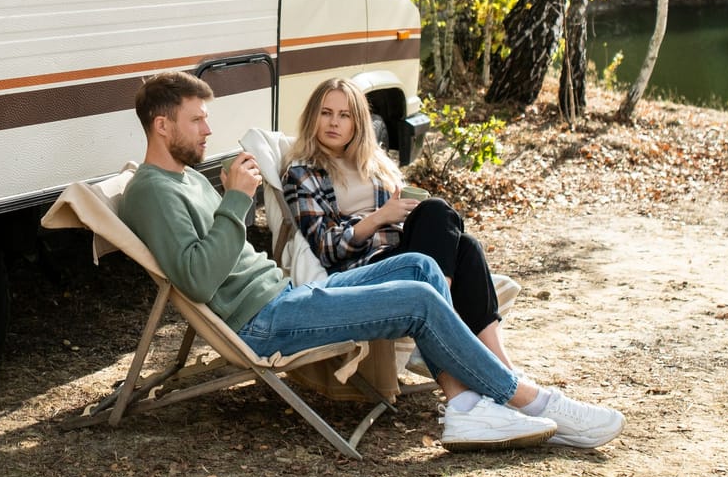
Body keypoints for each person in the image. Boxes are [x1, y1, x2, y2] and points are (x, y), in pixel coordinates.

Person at [118, 71, 625, 451]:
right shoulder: (152, 191)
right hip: (262, 322)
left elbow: (217, 257)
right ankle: (532, 400)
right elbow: (198, 279)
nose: (209, 129)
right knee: (421, 299)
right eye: (197, 119)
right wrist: (236, 200)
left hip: (285, 296)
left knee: (425, 268)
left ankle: (465, 405)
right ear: (163, 126)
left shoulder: (184, 180)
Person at [284, 78, 513, 369]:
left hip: (403, 253)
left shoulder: (375, 163)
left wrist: (406, 213)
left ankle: (503, 365)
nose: (334, 123)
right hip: (365, 267)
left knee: (464, 242)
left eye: (344, 115)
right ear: (312, 117)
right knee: (440, 216)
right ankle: (443, 324)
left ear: (358, 123)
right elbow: (326, 248)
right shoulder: (302, 174)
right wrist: (380, 217)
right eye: (326, 113)